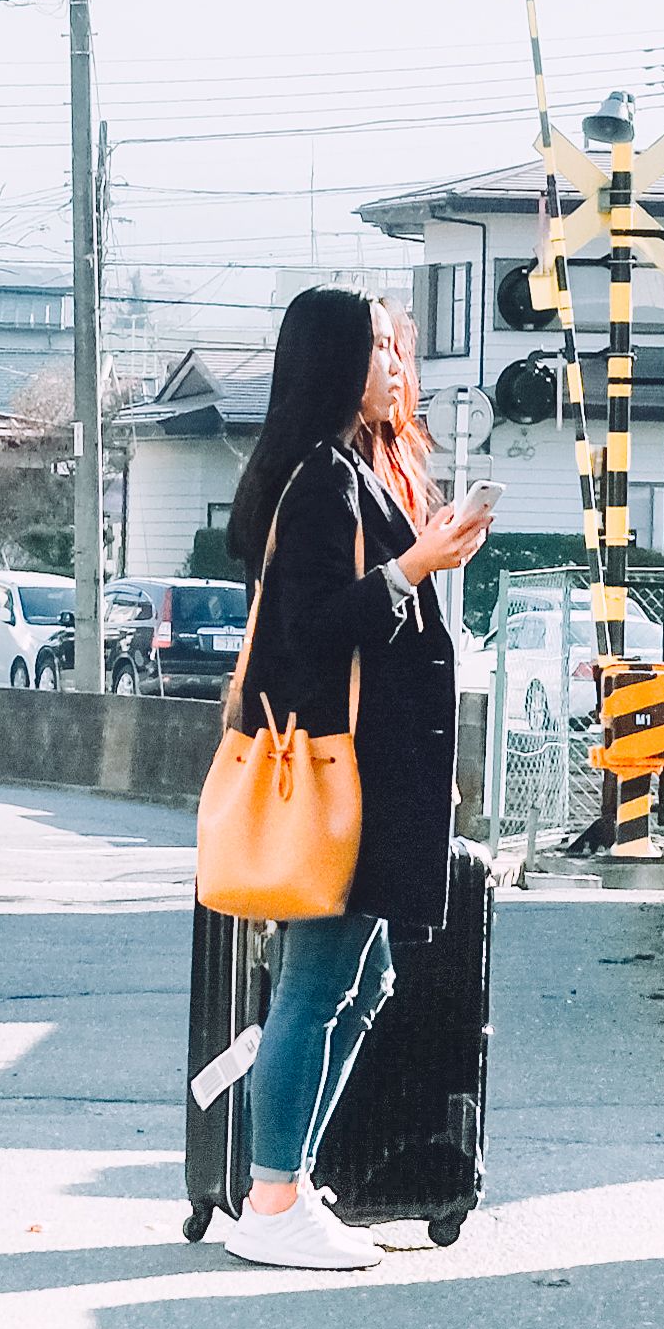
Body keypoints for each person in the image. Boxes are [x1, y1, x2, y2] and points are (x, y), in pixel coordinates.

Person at [212, 285, 485, 1271]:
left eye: (397, 348)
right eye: (376, 348)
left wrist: (422, 557)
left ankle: (287, 1183)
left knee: (359, 979)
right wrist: (415, 567)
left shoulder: (339, 470)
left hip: (361, 775)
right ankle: (274, 1194)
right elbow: (312, 630)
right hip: (337, 780)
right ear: (330, 359)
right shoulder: (317, 481)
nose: (396, 367)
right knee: (320, 982)